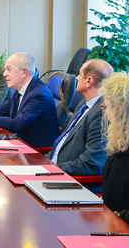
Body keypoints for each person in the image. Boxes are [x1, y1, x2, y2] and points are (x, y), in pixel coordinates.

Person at [46, 59, 113, 175]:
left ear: (89, 81)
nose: (76, 78)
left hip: (68, 177)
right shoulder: (84, 103)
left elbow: (91, 163)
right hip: (53, 166)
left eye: (80, 74)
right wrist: (42, 163)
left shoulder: (102, 114)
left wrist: (52, 169)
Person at [100, 72, 129, 223]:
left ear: (120, 111)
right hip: (110, 221)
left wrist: (118, 216)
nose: (105, 112)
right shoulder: (120, 142)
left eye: (106, 107)